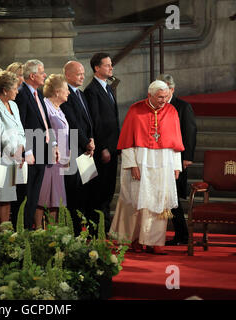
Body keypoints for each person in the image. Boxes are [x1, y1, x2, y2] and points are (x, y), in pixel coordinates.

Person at [109, 80, 184, 255]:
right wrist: (132, 164)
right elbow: (127, 141)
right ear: (149, 95)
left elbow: (176, 143)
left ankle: (154, 241)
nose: (163, 100)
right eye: (159, 97)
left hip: (163, 164)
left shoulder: (171, 111)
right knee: (135, 201)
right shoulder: (135, 110)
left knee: (159, 202)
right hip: (140, 162)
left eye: (166, 97)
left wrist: (176, 166)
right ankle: (134, 239)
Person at [14, 59, 60, 230]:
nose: (45, 75)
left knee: (35, 195)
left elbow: (45, 121)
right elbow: (22, 125)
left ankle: (28, 228)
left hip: (43, 150)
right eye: (42, 72)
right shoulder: (22, 94)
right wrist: (27, 151)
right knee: (27, 195)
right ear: (32, 75)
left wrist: (53, 143)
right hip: (31, 154)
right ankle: (23, 229)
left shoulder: (37, 93)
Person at [157, 74, 197, 246]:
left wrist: (187, 157)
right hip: (160, 159)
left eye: (165, 90)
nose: (162, 94)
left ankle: (182, 234)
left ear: (172, 89)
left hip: (177, 159)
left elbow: (190, 132)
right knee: (168, 198)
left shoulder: (182, 106)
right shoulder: (157, 105)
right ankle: (180, 234)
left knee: (174, 198)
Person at [84, 52, 120, 234]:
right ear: (97, 68)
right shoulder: (92, 90)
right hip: (103, 150)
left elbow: (113, 118)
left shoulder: (108, 88)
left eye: (111, 64)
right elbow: (96, 122)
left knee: (109, 190)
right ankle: (97, 229)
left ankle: (105, 228)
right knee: (100, 190)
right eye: (107, 65)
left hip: (114, 147)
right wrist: (104, 147)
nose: (111, 68)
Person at [60, 61, 95, 235]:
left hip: (87, 150)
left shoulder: (81, 94)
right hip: (75, 149)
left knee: (87, 191)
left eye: (83, 73)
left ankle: (86, 229)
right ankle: (75, 230)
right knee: (75, 193)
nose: (82, 76)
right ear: (67, 75)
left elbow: (88, 121)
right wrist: (86, 142)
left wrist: (92, 140)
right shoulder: (65, 95)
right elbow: (73, 123)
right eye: (78, 74)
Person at [0, 70, 26, 232]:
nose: (17, 91)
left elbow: (20, 130)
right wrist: (14, 151)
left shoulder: (14, 105)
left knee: (9, 197)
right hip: (0, 157)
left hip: (14, 157)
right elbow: (0, 132)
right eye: (15, 88)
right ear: (5, 90)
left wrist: (22, 149)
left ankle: (4, 234)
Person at [36, 74, 70, 228]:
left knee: (56, 199)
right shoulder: (45, 106)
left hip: (60, 161)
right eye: (66, 89)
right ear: (57, 91)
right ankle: (38, 230)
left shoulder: (59, 109)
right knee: (43, 197)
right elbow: (44, 130)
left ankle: (52, 232)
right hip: (48, 158)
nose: (68, 92)